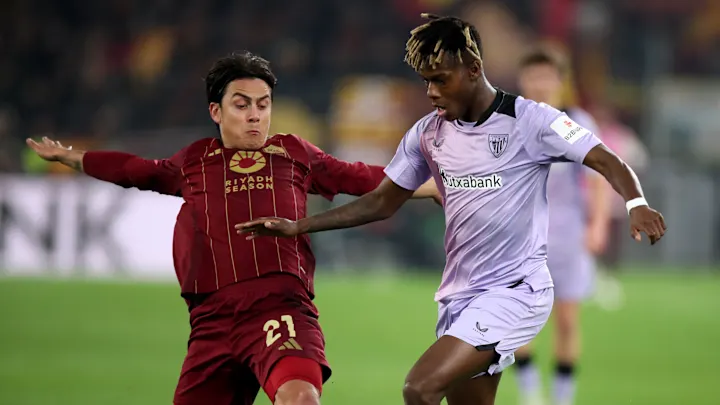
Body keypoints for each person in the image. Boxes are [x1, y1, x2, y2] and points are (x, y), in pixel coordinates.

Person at [236, 14, 667, 405]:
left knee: (419, 388)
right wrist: (299, 227)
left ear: (473, 70)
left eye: (440, 80)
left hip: (515, 292)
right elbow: (384, 201)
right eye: (426, 81)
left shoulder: (531, 120)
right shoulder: (427, 133)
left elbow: (605, 157)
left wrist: (636, 202)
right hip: (459, 297)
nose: (431, 92)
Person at [26, 50, 439, 405]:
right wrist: (74, 158)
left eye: (263, 104)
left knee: (300, 397)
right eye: (242, 105)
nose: (255, 116)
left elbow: (361, 177)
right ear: (216, 111)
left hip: (278, 308)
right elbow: (135, 170)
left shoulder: (293, 152)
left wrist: (430, 187)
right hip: (211, 322)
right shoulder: (192, 161)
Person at [512, 48, 612, 405]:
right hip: (520, 237)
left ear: (560, 80)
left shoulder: (576, 123)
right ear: (522, 80)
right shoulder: (510, 121)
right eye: (533, 75)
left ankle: (562, 398)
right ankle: (529, 394)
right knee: (520, 317)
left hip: (567, 233)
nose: (540, 83)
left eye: (547, 75)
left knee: (567, 320)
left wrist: (598, 223)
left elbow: (599, 177)